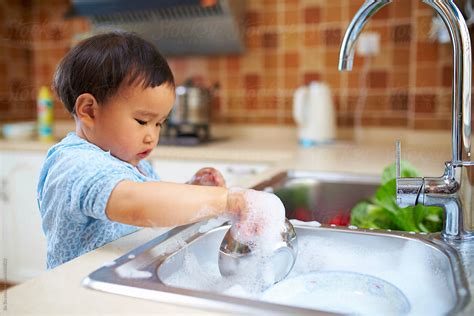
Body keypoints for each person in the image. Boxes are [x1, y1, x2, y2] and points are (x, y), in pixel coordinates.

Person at [37, 32, 272, 269]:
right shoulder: (74, 164)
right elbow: (135, 205)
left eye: (159, 123)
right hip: (78, 293)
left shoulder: (129, 160)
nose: (152, 136)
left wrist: (190, 190)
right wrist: (228, 200)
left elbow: (153, 212)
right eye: (142, 121)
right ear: (89, 110)